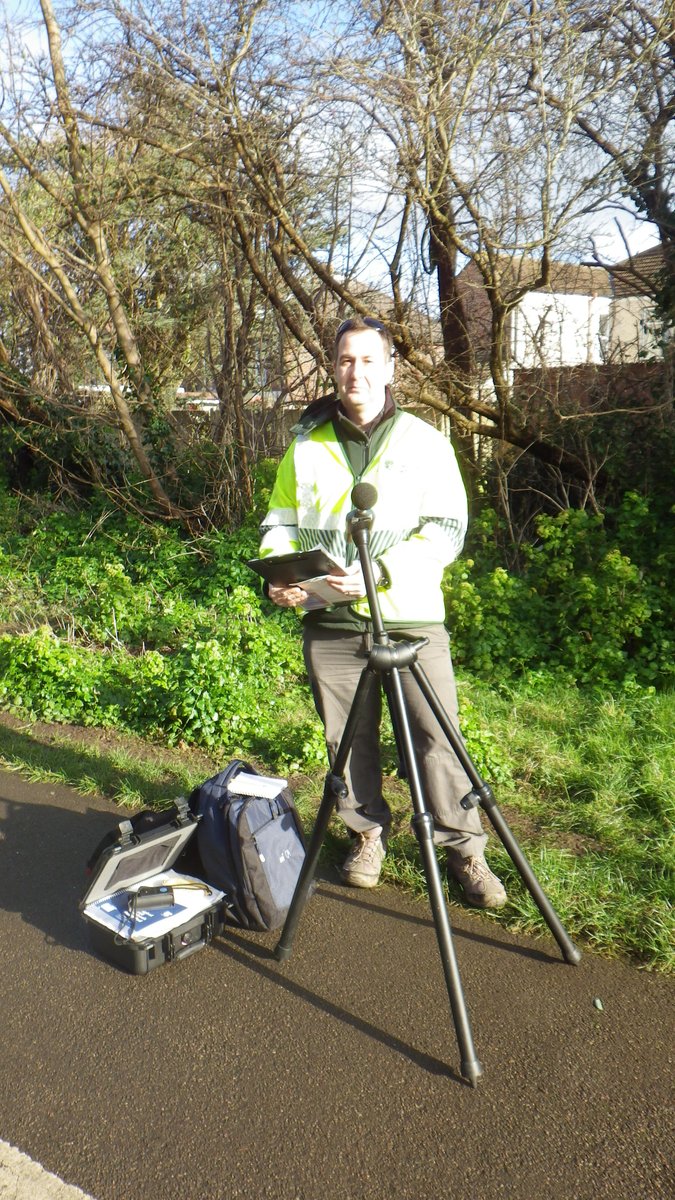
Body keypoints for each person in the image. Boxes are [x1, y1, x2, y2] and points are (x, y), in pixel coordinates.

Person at [258, 315, 506, 908]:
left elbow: (447, 530)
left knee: (433, 736)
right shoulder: (305, 442)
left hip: (409, 617)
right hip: (330, 623)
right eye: (346, 360)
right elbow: (281, 524)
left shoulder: (425, 440)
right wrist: (284, 576)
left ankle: (464, 850)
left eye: (369, 360)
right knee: (346, 741)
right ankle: (367, 833)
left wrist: (379, 578)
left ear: (391, 369)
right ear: (334, 367)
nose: (356, 372)